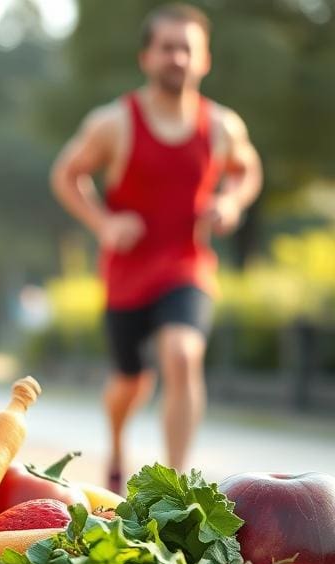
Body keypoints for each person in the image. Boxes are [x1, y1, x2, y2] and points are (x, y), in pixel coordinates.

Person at [50, 3, 262, 490]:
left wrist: (231, 201)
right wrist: (103, 222)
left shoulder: (222, 127)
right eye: (168, 48)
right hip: (127, 274)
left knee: (183, 353)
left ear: (205, 59)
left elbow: (248, 170)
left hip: (187, 266)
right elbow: (65, 174)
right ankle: (119, 443)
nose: (178, 58)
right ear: (147, 57)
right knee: (131, 381)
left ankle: (178, 482)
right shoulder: (114, 123)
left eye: (188, 49)